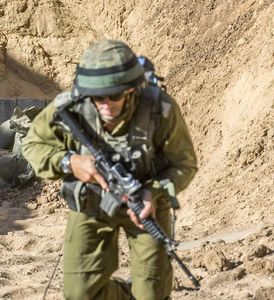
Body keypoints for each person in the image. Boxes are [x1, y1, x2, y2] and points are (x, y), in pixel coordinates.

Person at [22, 40, 197, 299]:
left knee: (151, 294)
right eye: (97, 97)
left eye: (114, 95)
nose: (105, 104)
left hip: (144, 205)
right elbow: (33, 145)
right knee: (80, 293)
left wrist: (152, 192)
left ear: (131, 90)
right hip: (92, 203)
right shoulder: (69, 107)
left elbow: (184, 164)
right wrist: (70, 162)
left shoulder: (160, 109)